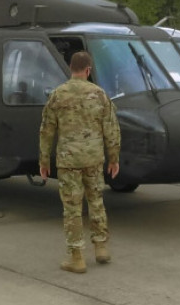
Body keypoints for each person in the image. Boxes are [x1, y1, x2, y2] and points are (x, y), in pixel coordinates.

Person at [39, 52, 121, 273]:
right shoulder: (100, 94)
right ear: (88, 70)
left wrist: (44, 160)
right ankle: (101, 246)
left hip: (68, 160)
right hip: (93, 158)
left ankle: (77, 257)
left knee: (72, 208)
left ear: (70, 68)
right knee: (96, 201)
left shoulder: (58, 95)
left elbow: (47, 130)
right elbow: (111, 129)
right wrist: (114, 158)